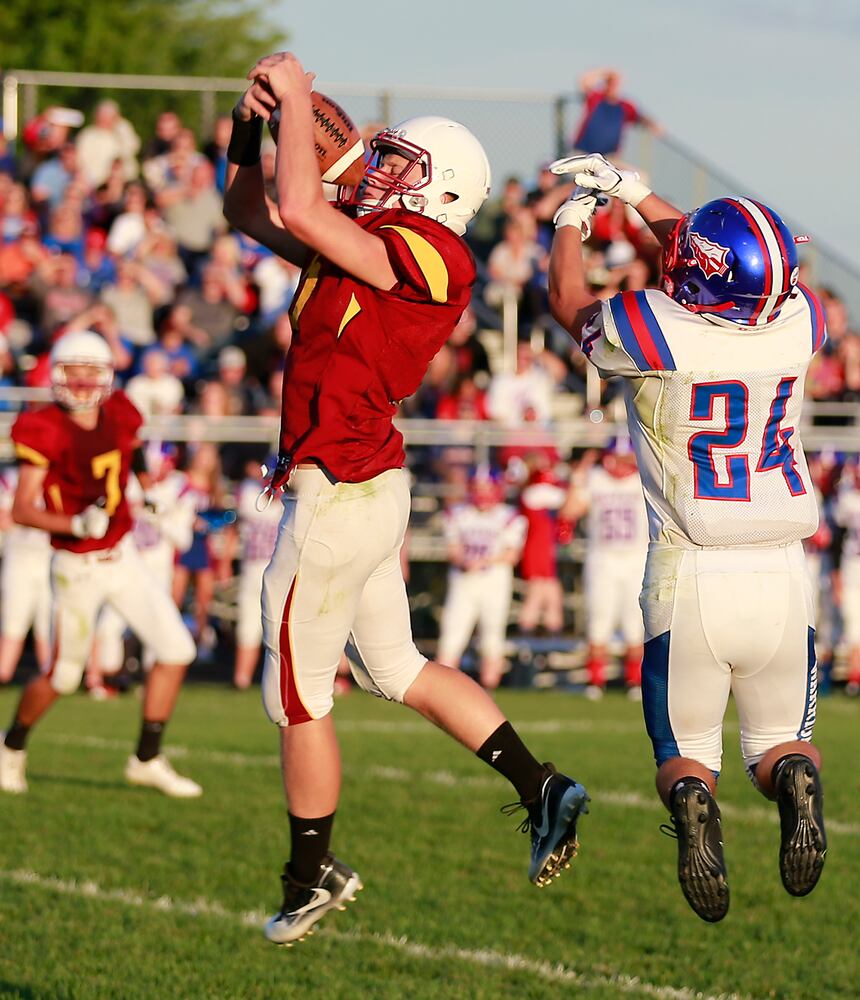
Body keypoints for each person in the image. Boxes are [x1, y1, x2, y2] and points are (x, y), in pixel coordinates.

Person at [223, 50, 589, 946]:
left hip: (339, 492)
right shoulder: (375, 232)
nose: (380, 168)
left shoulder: (435, 252)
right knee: (395, 668)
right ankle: (542, 785)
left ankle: (310, 875)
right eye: (382, 156)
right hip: (361, 481)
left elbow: (304, 204)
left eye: (401, 164)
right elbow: (250, 208)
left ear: (444, 191)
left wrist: (301, 103)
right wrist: (250, 125)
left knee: (299, 699)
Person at [547, 152, 827, 922]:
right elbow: (709, 259)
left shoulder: (655, 328)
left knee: (686, 757)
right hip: (781, 569)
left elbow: (569, 299)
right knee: (780, 746)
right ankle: (794, 787)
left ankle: (697, 801)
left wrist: (572, 218)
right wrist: (636, 191)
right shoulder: (801, 321)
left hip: (691, 570)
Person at [0, 330, 201, 798]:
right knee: (65, 676)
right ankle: (11, 748)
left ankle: (146, 759)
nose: (86, 381)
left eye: (95, 370)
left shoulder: (121, 413)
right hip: (77, 566)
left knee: (176, 650)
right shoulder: (44, 427)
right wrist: (74, 522)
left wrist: (145, 486)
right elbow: (23, 510)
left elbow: (126, 451)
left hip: (123, 554)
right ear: (57, 375)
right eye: (76, 370)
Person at [562, 437, 648, 700]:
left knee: (636, 623)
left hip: (635, 557)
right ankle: (595, 680)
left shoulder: (644, 478)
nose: (620, 466)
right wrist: (579, 476)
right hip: (603, 557)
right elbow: (569, 512)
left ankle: (635, 681)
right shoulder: (596, 478)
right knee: (599, 620)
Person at [436, 469, 527, 690]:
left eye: (487, 489)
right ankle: (444, 691)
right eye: (478, 488)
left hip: (494, 583)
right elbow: (453, 550)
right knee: (451, 637)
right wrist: (466, 561)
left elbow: (512, 555)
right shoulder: (458, 513)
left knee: (493, 639)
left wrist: (484, 560)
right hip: (464, 582)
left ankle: (489, 690)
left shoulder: (509, 516)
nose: (482, 494)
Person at [569, 69, 662, 159]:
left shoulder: (625, 106)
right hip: (583, 153)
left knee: (639, 175)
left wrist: (654, 125)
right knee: (578, 173)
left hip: (609, 157)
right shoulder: (596, 98)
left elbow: (641, 118)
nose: (612, 86)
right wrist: (604, 72)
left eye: (615, 83)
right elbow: (584, 81)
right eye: (609, 83)